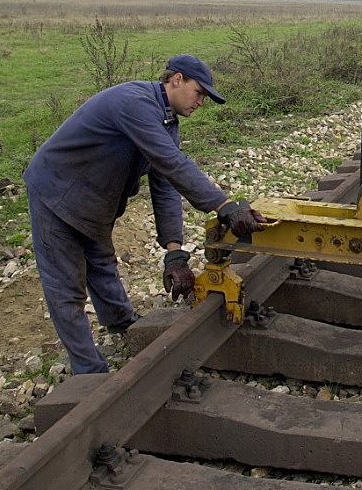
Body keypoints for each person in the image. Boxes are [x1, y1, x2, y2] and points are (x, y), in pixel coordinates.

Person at [23, 55, 267, 374]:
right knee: (65, 285)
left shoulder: (167, 124)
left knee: (100, 261)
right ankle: (89, 371)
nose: (201, 102)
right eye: (199, 92)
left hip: (93, 195)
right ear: (176, 80)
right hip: (55, 191)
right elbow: (173, 163)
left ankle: (123, 324)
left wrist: (175, 255)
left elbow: (165, 187)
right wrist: (224, 206)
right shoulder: (134, 102)